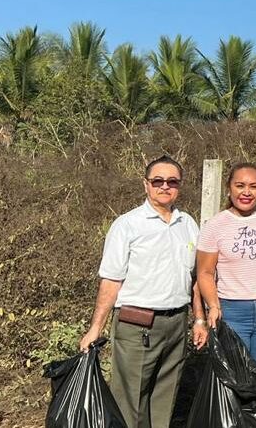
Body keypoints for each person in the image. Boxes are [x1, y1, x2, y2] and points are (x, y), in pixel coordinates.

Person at [78, 156, 207, 428]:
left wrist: (199, 319)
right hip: (137, 326)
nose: (165, 187)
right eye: (157, 181)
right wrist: (95, 328)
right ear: (146, 184)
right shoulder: (128, 225)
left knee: (165, 396)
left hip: (176, 323)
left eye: (172, 181)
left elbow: (194, 279)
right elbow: (111, 280)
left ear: (180, 186)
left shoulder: (188, 224)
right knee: (131, 401)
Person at [196, 162, 256, 374]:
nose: (246, 192)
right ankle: (237, 409)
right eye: (240, 185)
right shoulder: (216, 225)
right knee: (237, 375)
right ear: (229, 188)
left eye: (253, 186)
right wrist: (213, 306)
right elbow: (205, 273)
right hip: (232, 311)